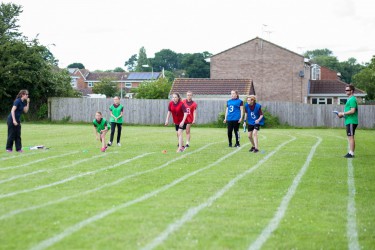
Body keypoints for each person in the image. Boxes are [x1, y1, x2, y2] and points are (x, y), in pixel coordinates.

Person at [338, 84, 358, 158]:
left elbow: (352, 111)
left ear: (351, 91)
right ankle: (350, 152)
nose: (346, 91)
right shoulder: (350, 99)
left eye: (347, 90)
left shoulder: (352, 99)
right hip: (349, 120)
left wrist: (343, 113)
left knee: (351, 137)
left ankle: (351, 153)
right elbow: (349, 111)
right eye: (345, 90)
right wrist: (342, 115)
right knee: (350, 137)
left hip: (351, 121)